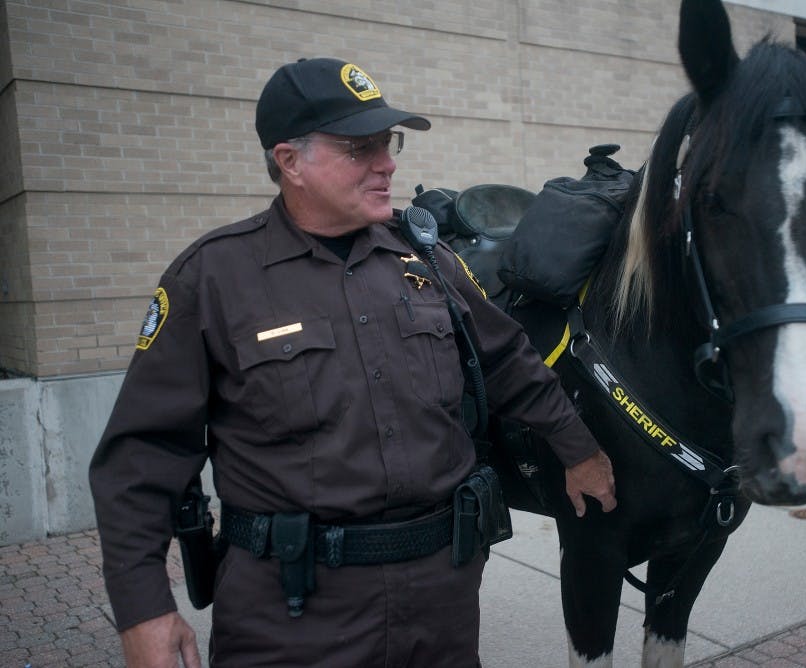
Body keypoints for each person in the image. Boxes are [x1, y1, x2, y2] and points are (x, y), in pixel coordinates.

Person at [89, 56, 617, 667]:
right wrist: (143, 608)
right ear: (290, 161)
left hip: (441, 601)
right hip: (293, 618)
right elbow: (140, 457)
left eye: (387, 143)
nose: (387, 162)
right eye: (359, 148)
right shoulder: (213, 278)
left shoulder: (430, 263)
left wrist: (578, 450)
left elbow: (508, 362)